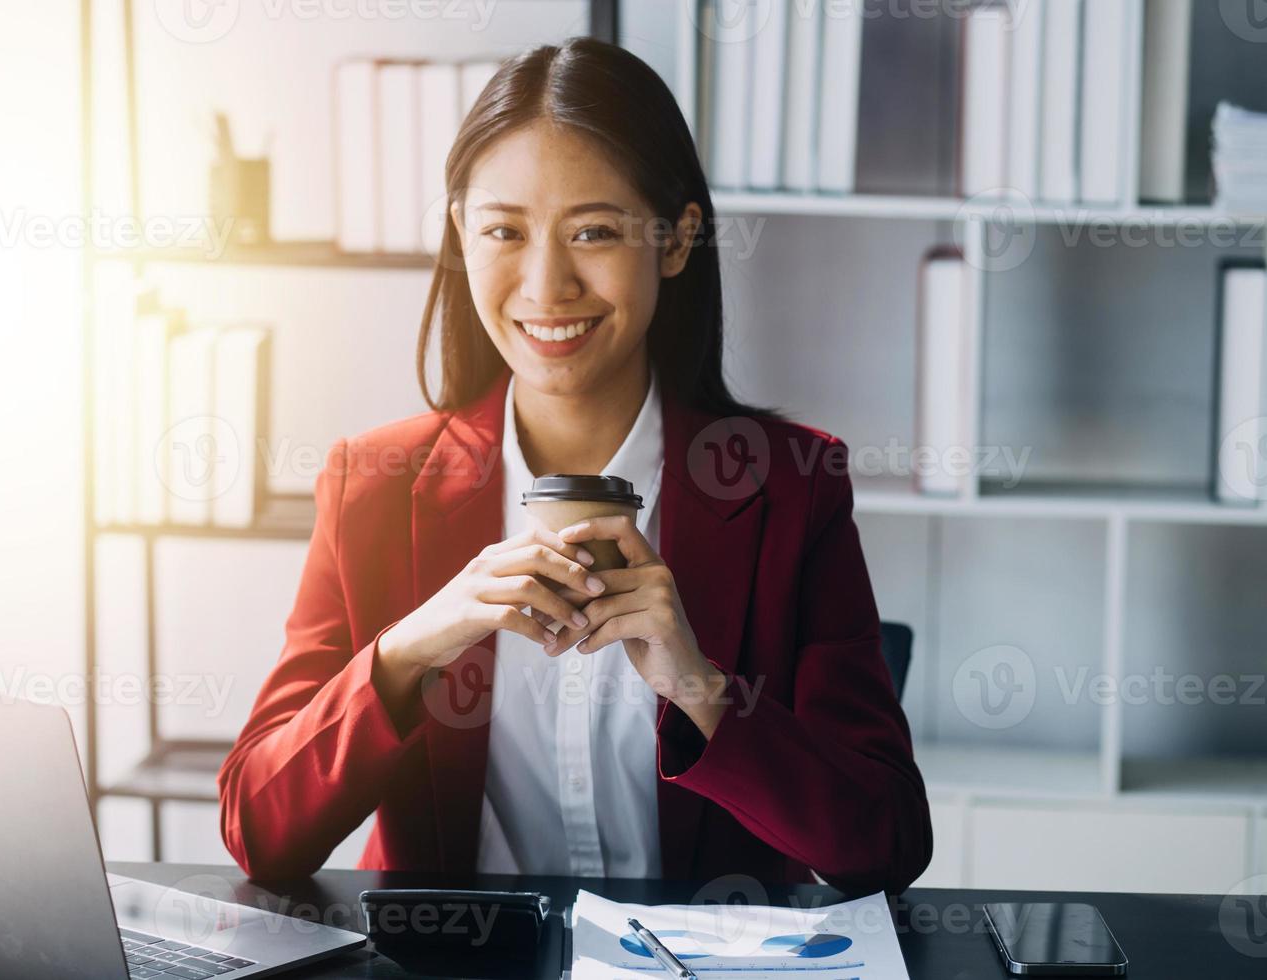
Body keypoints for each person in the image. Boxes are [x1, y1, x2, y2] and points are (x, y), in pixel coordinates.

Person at [218, 37, 931, 895]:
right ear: (460, 239)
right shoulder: (375, 486)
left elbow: (885, 840)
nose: (546, 283)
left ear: (675, 241)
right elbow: (259, 832)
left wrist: (703, 689)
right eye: (504, 232)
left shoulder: (791, 488)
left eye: (593, 231)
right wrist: (410, 649)